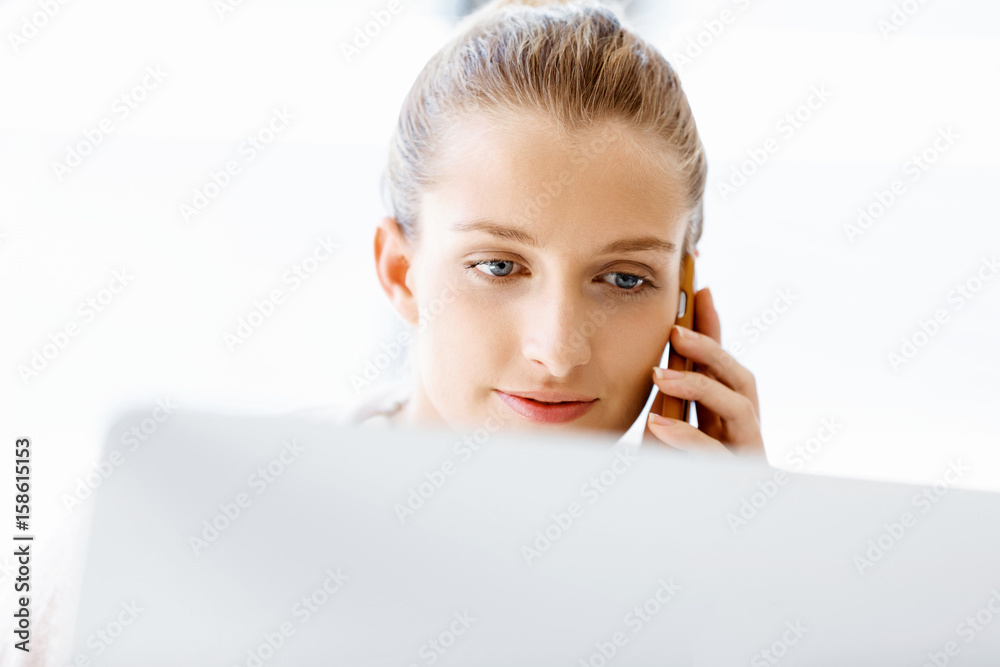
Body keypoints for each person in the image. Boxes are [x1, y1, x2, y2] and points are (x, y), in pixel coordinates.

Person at [356, 0, 764, 456]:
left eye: (625, 279)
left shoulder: (692, 521)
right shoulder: (266, 499)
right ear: (399, 271)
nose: (558, 353)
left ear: (681, 301)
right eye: (497, 266)